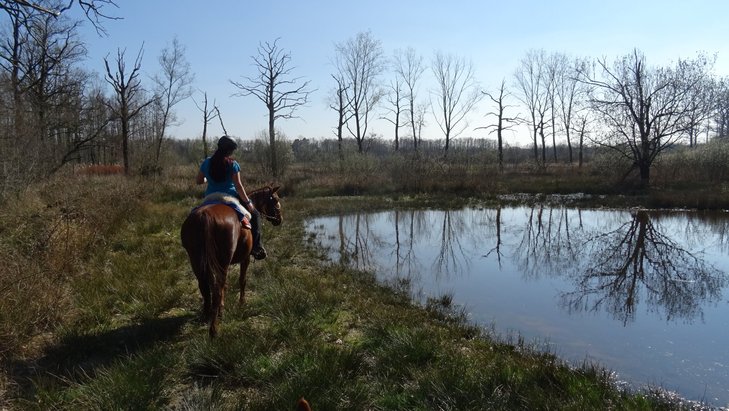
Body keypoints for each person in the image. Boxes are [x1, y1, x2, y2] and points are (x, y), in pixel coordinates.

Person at [196, 135, 266, 260]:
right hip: (229, 198)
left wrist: (207, 178)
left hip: (210, 198)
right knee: (255, 215)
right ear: (230, 151)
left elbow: (199, 181)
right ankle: (256, 247)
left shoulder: (206, 162)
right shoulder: (233, 164)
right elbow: (239, 186)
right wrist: (248, 202)